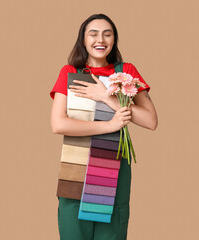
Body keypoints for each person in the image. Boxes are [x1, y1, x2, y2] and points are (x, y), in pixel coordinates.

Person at [50, 14, 158, 240]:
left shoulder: (125, 70)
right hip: (76, 167)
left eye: (107, 34)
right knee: (73, 233)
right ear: (83, 39)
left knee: (110, 234)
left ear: (114, 40)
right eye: (94, 33)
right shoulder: (70, 72)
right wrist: (110, 124)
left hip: (113, 165)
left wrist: (106, 97)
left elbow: (150, 121)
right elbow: (58, 124)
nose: (101, 39)